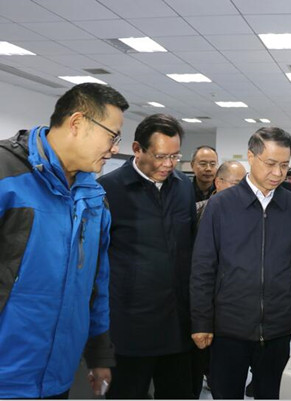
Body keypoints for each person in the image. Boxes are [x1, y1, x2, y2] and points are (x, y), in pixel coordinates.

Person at [0, 83, 129, 398]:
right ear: (77, 123)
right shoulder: (6, 175)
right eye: (112, 136)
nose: (114, 149)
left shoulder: (95, 199)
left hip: (58, 377)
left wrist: (99, 355)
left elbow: (96, 285)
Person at [190, 127, 291, 400]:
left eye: (284, 165)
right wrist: (201, 321)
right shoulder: (220, 205)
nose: (278, 173)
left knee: (271, 394)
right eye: (270, 163)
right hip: (228, 328)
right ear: (250, 157)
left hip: (277, 329)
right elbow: (203, 268)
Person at [97, 114, 196, 399]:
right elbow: (95, 262)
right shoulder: (108, 190)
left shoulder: (183, 186)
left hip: (177, 325)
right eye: (161, 156)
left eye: (175, 156)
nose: (168, 164)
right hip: (129, 328)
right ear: (137, 149)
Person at [191, 159, 246, 397]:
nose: (242, 189)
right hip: (208, 301)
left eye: (244, 183)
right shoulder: (201, 210)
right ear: (218, 182)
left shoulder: (248, 211)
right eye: (235, 183)